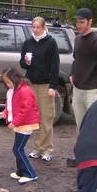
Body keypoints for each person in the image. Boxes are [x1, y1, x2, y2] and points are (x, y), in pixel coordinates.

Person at [67, 7, 97, 167]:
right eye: (77, 22)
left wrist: (95, 69)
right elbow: (75, 59)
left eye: (82, 22)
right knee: (80, 125)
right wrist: (72, 73)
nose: (79, 25)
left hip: (92, 89)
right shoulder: (78, 39)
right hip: (78, 89)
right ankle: (81, 156)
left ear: (90, 22)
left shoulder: (95, 40)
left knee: (94, 125)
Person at [19, 17, 59, 162]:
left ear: (44, 28)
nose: (35, 30)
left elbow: (55, 65)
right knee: (34, 117)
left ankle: (48, 149)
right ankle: (37, 148)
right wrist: (26, 62)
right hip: (31, 84)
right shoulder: (28, 42)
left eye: (38, 27)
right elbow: (22, 63)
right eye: (33, 27)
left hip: (45, 85)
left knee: (46, 117)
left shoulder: (51, 42)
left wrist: (53, 86)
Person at [0, 67, 40, 184]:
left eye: (8, 82)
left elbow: (25, 110)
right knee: (18, 149)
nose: (7, 84)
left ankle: (30, 174)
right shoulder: (13, 90)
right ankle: (21, 171)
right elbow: (10, 105)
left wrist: (15, 122)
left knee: (18, 149)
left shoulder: (24, 90)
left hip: (26, 124)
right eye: (5, 82)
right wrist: (4, 113)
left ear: (15, 79)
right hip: (20, 124)